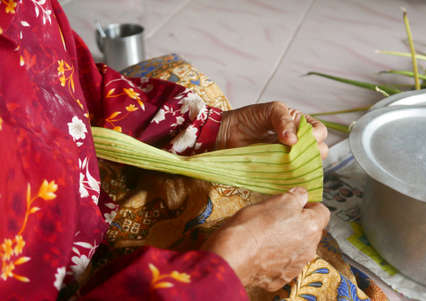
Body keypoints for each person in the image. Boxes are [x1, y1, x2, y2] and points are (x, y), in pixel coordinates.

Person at [0, 0, 330, 300]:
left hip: (72, 191)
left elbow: (55, 83)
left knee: (194, 84)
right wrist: (235, 266)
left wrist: (205, 129)